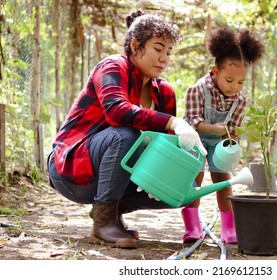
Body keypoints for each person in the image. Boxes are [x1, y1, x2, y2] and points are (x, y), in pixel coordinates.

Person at [47, 10, 206, 249]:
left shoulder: (164, 92)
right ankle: (104, 222)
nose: (164, 58)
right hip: (72, 169)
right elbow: (116, 110)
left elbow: (164, 147)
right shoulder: (113, 66)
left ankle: (115, 213)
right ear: (135, 45)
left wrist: (187, 166)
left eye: (169, 52)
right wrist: (173, 121)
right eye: (158, 48)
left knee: (181, 190)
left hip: (114, 170)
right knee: (126, 135)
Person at [182, 27, 265, 244]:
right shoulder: (197, 90)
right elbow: (192, 122)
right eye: (229, 80)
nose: (234, 87)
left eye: (240, 82)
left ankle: (229, 230)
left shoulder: (240, 100)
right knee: (195, 181)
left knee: (223, 180)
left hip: (219, 143)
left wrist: (232, 144)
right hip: (195, 139)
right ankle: (192, 228)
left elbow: (234, 128)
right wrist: (213, 129)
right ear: (216, 71)